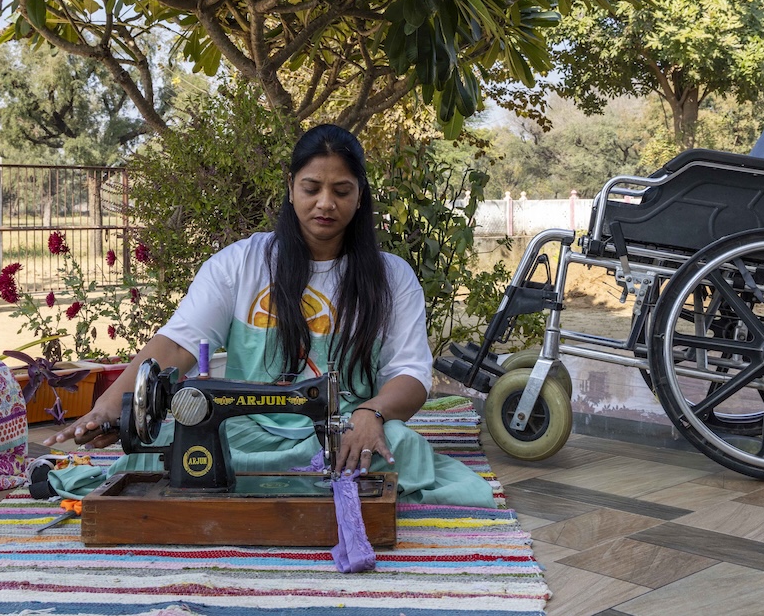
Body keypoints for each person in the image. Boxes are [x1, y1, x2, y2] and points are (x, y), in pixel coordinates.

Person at [44, 124, 494, 507]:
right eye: (311, 188)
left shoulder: (392, 277)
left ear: (360, 196)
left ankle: (263, 481)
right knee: (165, 445)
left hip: (346, 435)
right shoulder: (240, 263)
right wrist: (111, 408)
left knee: (402, 448)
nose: (325, 204)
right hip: (243, 433)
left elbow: (411, 376)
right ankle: (309, 484)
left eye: (341, 191)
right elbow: (178, 344)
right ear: (291, 187)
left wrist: (372, 413)